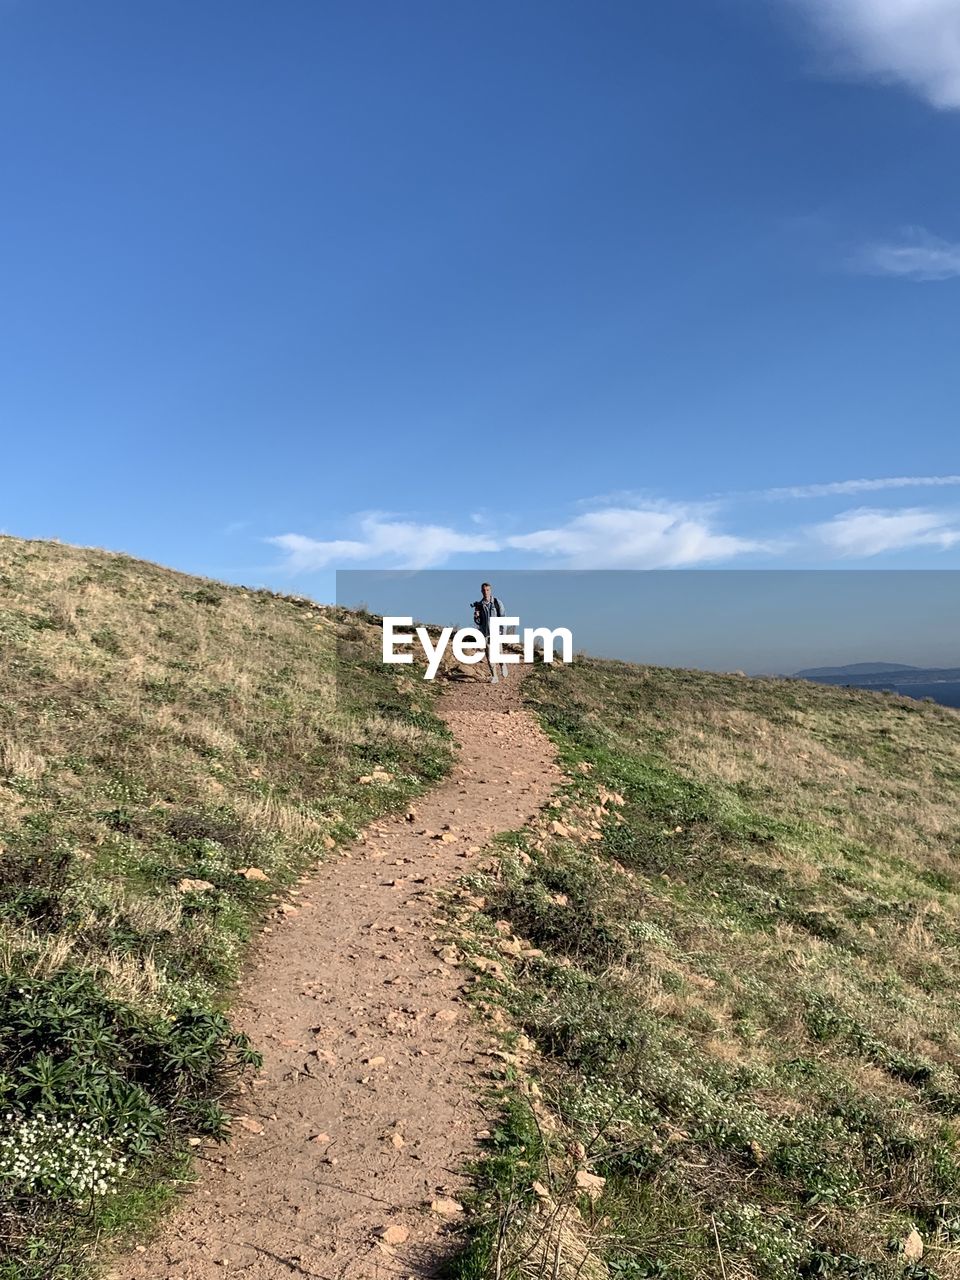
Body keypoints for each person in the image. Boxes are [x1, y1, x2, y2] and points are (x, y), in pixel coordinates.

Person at [472, 582, 508, 684]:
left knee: (499, 653)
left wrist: (503, 633)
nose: (485, 592)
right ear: (481, 591)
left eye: (487, 590)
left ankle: (502, 664)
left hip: (497, 633)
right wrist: (476, 616)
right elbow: (478, 622)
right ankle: (494, 676)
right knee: (490, 655)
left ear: (490, 590)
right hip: (486, 633)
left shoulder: (497, 603)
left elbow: (503, 618)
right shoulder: (479, 605)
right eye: (483, 590)